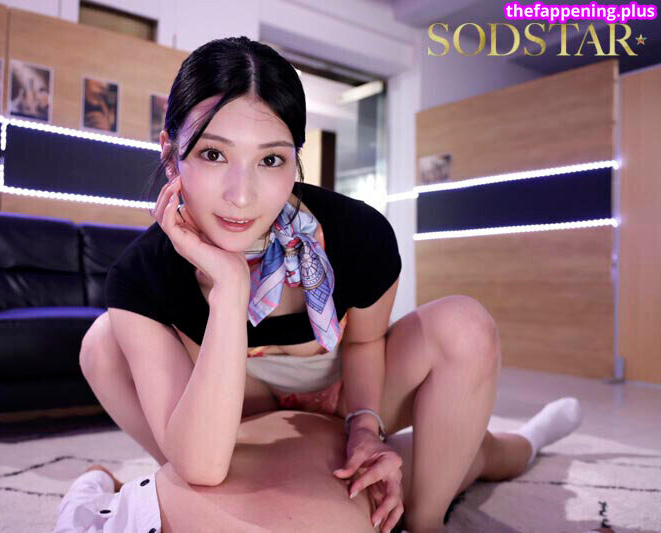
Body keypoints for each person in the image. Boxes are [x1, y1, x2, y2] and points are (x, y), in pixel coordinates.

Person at [79, 35, 570, 532]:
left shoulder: (358, 234)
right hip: (237, 419)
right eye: (213, 154)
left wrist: (364, 426)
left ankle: (461, 493)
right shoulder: (141, 278)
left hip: (351, 391)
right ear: (171, 154)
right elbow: (202, 464)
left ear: (295, 158)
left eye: (270, 160)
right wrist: (230, 287)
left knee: (466, 336)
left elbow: (367, 342)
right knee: (102, 343)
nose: (241, 195)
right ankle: (199, 488)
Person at [53, 399, 583, 532]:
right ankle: (533, 436)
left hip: (273, 434)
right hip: (356, 492)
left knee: (462, 446)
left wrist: (113, 481)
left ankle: (531, 436)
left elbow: (92, 478)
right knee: (472, 450)